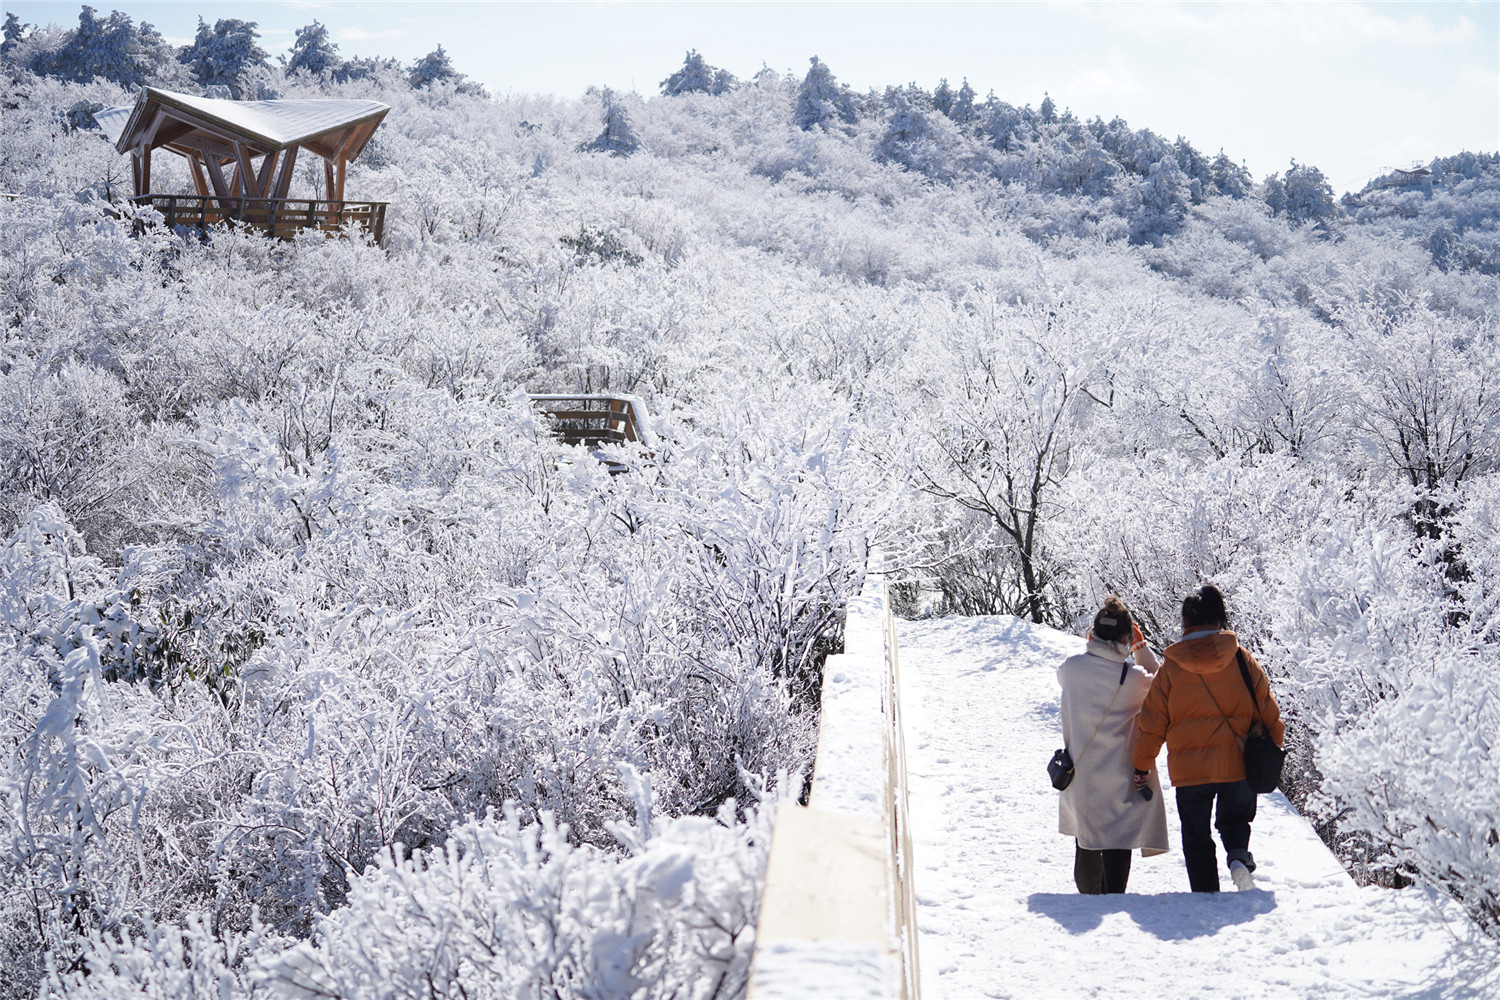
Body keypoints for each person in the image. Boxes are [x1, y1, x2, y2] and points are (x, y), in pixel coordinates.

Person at [1130, 585, 1285, 892]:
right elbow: (1270, 716)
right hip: (1237, 763)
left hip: (1191, 771)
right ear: (1217, 620)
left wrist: (1141, 765)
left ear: (1185, 623)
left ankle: (1206, 895)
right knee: (1235, 821)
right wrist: (1269, 750)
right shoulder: (1242, 660)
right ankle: (1239, 859)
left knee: (1196, 834)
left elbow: (1152, 723)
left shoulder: (1172, 669)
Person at [1057, 597, 1169, 894]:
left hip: (1081, 778)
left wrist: (1091, 644)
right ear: (1126, 637)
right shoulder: (1132, 679)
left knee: (1087, 839)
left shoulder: (1071, 668)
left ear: (1092, 634)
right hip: (1119, 779)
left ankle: (1088, 901)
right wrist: (1140, 647)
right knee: (1119, 841)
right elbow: (1161, 683)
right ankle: (1113, 901)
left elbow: (1068, 677)